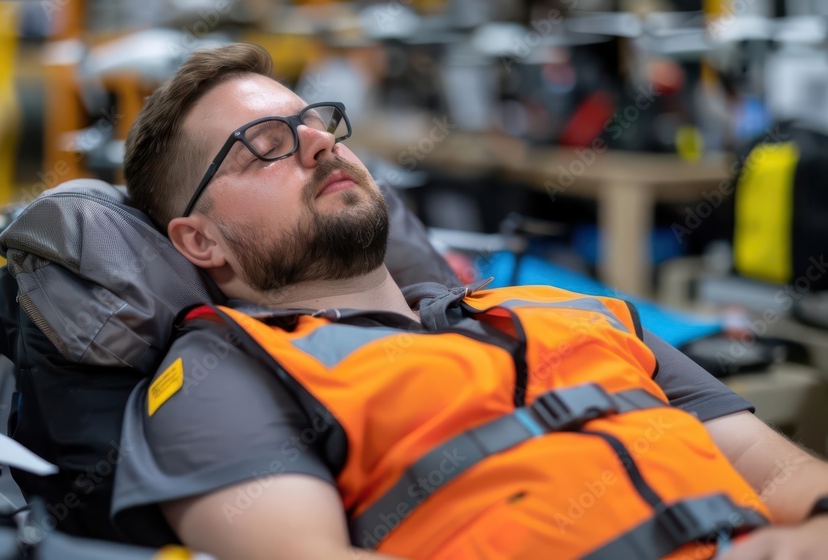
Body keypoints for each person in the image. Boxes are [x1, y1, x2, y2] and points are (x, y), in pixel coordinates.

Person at [111, 43, 828, 559]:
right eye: (264, 145)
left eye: (318, 122)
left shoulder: (563, 307)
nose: (319, 144)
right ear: (201, 240)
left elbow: (778, 471)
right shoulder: (227, 371)